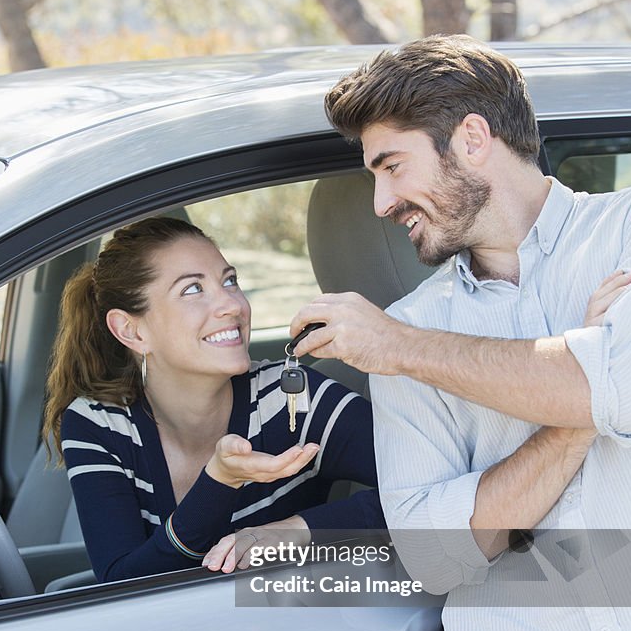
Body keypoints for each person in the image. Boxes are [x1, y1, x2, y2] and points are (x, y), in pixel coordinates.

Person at [289, 36, 631, 631]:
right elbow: (439, 555)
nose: (379, 202)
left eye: (390, 165)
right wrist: (578, 408)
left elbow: (630, 393)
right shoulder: (407, 333)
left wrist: (408, 352)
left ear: (473, 139)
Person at [43, 215, 385, 582]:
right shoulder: (98, 424)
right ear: (131, 330)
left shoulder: (293, 400)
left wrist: (296, 531)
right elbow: (122, 585)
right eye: (193, 289)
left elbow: (433, 495)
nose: (233, 305)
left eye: (230, 281)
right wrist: (219, 481)